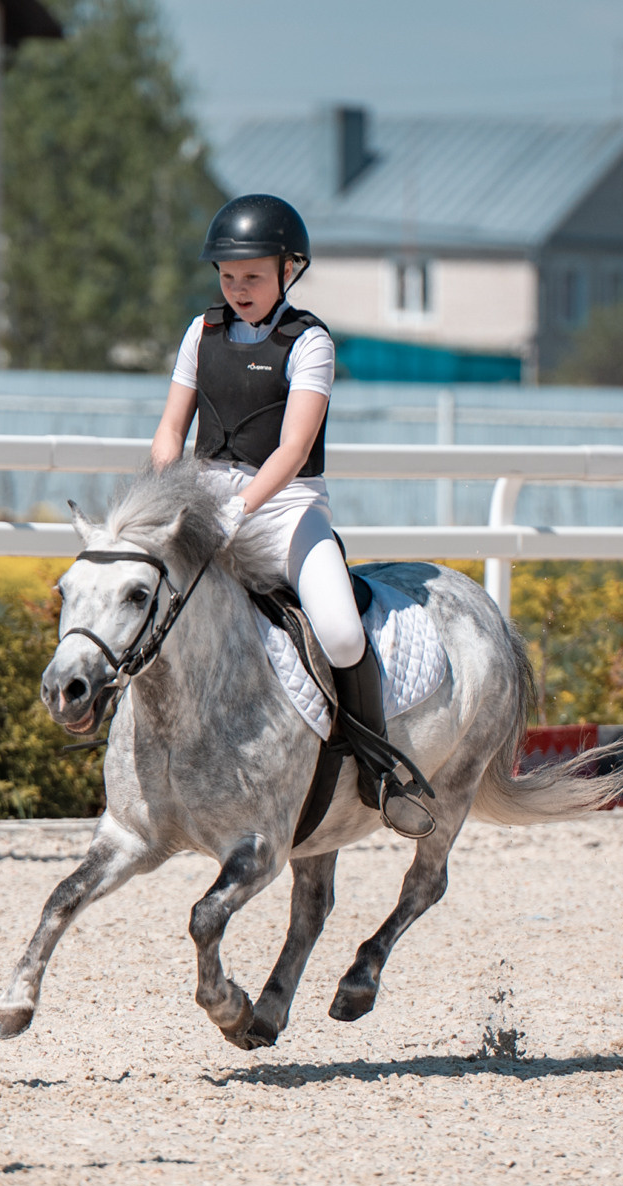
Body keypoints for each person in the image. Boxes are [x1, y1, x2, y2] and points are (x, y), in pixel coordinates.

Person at [147, 193, 432, 838]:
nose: (237, 288)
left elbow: (294, 448)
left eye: (251, 275)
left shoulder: (310, 342)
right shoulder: (202, 332)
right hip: (203, 500)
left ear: (287, 269)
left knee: (339, 631)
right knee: (144, 607)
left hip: (286, 509)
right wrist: (162, 491)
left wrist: (237, 509)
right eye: (227, 276)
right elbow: (170, 430)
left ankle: (378, 767)